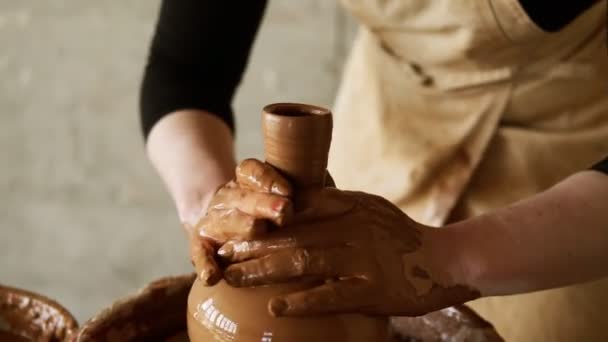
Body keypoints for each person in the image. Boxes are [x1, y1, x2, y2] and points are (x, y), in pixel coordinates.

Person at [140, 1, 608, 341]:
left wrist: (444, 259)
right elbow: (185, 70)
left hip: (562, 178)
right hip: (389, 115)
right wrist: (215, 208)